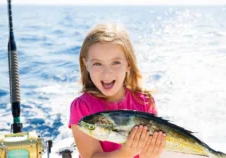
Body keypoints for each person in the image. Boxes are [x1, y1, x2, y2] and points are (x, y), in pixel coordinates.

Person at [68, 23, 166, 158]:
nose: (107, 73)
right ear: (86, 65)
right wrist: (125, 153)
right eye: (97, 63)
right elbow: (91, 156)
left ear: (128, 64)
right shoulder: (81, 107)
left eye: (116, 62)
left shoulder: (145, 101)